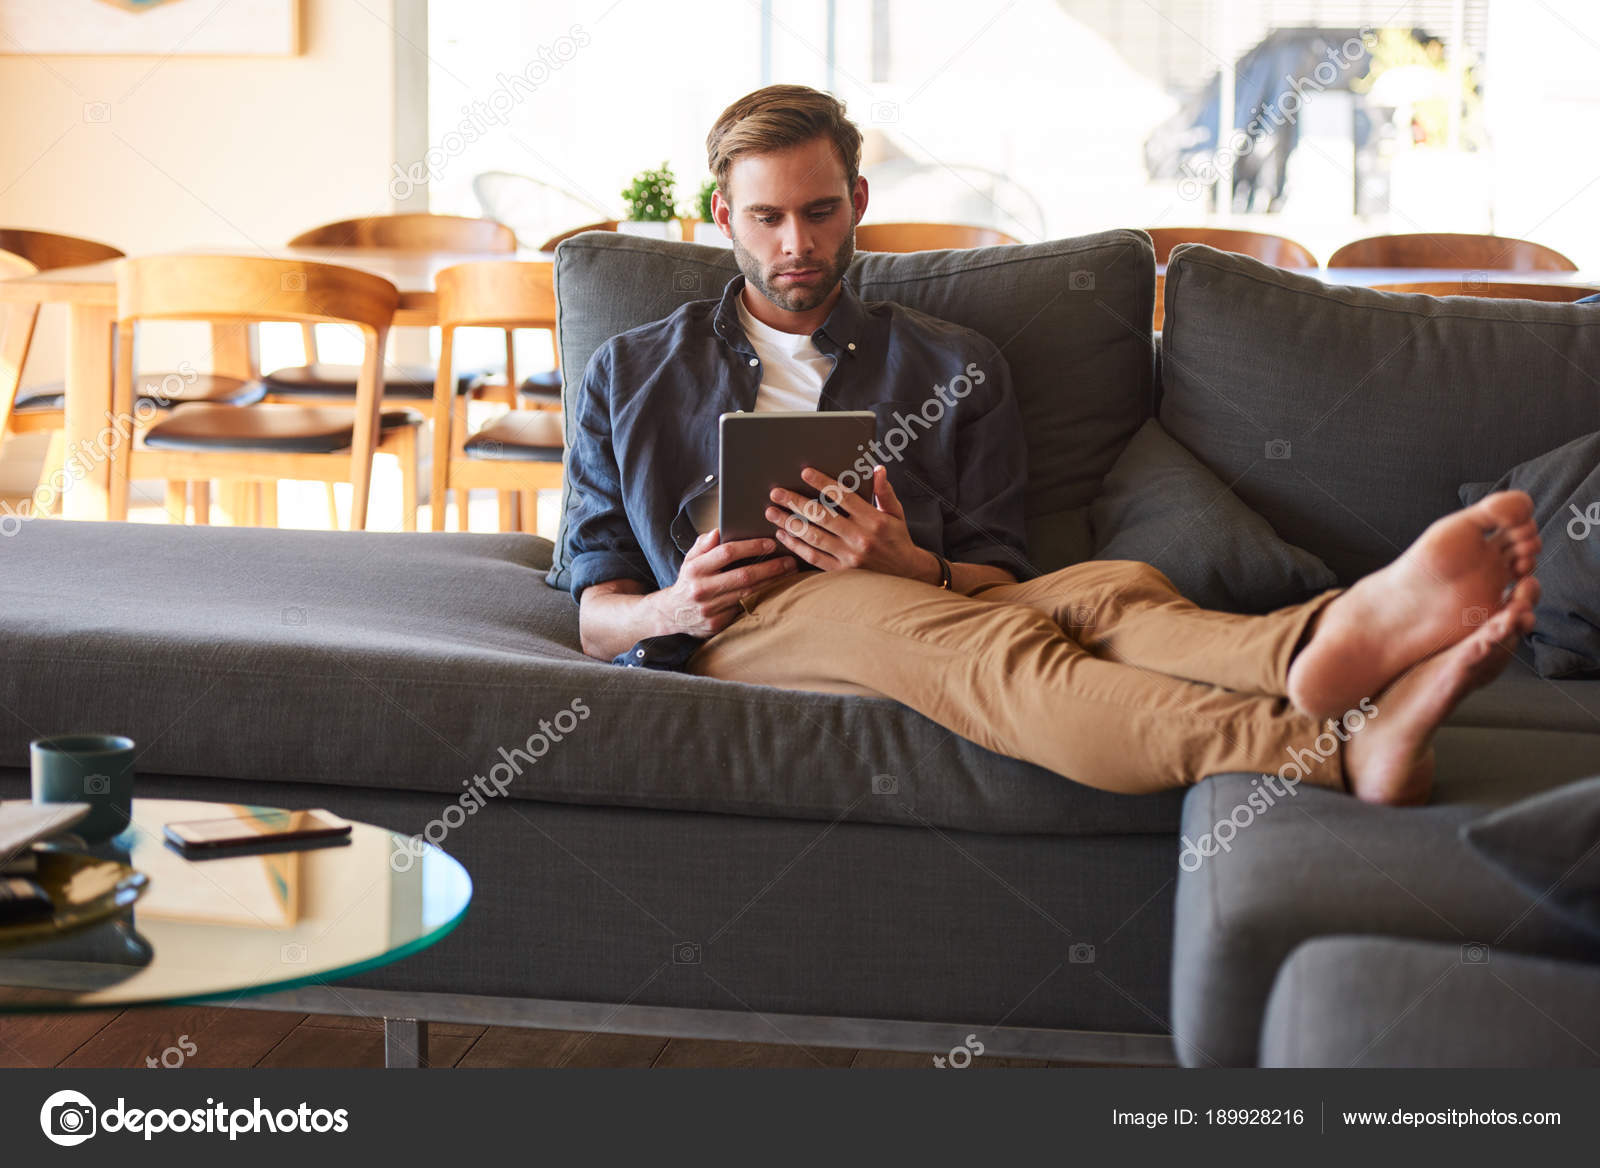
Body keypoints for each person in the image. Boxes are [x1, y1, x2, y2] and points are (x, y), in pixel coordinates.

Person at [562, 84, 1542, 806]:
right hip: (738, 628)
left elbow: (995, 574)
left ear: (857, 200)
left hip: (914, 592)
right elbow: (594, 612)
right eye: (767, 218)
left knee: (1109, 588)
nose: (796, 245)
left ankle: (1318, 642)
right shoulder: (631, 371)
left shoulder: (952, 364)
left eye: (819, 212)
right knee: (1002, 649)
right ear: (724, 215)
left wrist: (907, 560)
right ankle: (1320, 743)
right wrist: (672, 602)